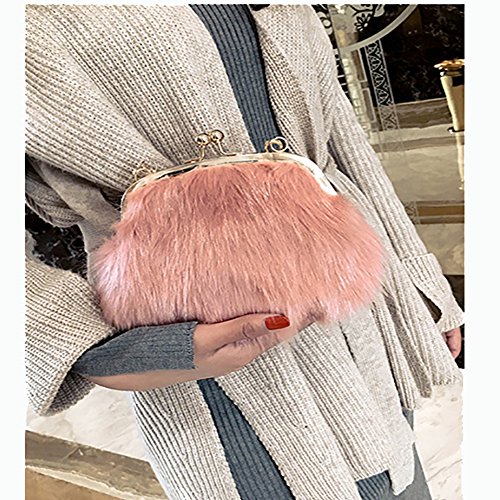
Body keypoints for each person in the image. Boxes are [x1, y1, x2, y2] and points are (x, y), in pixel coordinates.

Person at [25, 4, 463, 499]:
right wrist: (78, 343)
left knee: (396, 477)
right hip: (197, 332)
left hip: (353, 307)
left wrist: (416, 279)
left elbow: (342, 142)